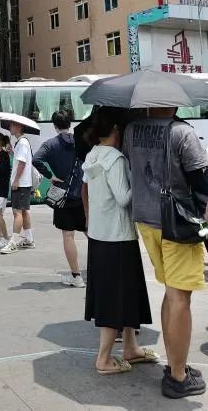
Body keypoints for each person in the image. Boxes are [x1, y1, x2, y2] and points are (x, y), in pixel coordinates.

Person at [123, 108, 208, 400]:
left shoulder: (131, 130)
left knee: (171, 293)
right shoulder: (182, 132)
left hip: (146, 219)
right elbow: (201, 181)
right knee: (181, 298)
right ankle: (178, 377)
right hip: (177, 222)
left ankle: (175, 363)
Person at [82, 108, 157, 375]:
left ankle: (131, 347)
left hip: (100, 235)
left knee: (125, 293)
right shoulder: (115, 159)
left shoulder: (92, 155)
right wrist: (143, 177)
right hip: (119, 237)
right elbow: (124, 198)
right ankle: (103, 359)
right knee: (115, 297)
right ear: (116, 128)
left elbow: (86, 189)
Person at [32, 110, 86, 287]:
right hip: (83, 192)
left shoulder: (50, 144)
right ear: (70, 123)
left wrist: (50, 176)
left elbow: (36, 160)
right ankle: (101, 268)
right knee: (90, 232)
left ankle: (76, 276)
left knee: (68, 235)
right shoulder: (80, 141)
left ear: (54, 126)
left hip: (63, 196)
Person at [0, 121, 35, 254]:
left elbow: (22, 163)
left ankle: (13, 242)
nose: (10, 127)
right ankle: (29, 239)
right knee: (24, 211)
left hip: (21, 183)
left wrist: (15, 180)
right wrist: (12, 152)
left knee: (17, 212)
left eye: (12, 125)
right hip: (23, 183)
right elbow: (19, 160)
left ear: (19, 127)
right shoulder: (21, 142)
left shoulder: (22, 142)